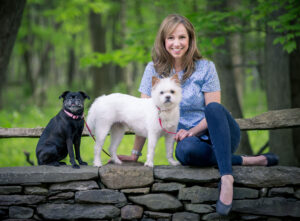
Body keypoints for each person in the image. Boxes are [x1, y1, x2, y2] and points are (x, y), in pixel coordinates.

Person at [117, 14, 278, 215]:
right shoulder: (153, 70)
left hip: (220, 132)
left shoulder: (206, 68)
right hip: (192, 144)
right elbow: (144, 113)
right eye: (171, 38)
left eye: (182, 37)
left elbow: (214, 111)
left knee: (213, 109)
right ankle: (246, 160)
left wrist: (191, 131)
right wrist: (135, 155)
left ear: (191, 39)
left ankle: (226, 177)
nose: (177, 43)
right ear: (163, 41)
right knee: (186, 152)